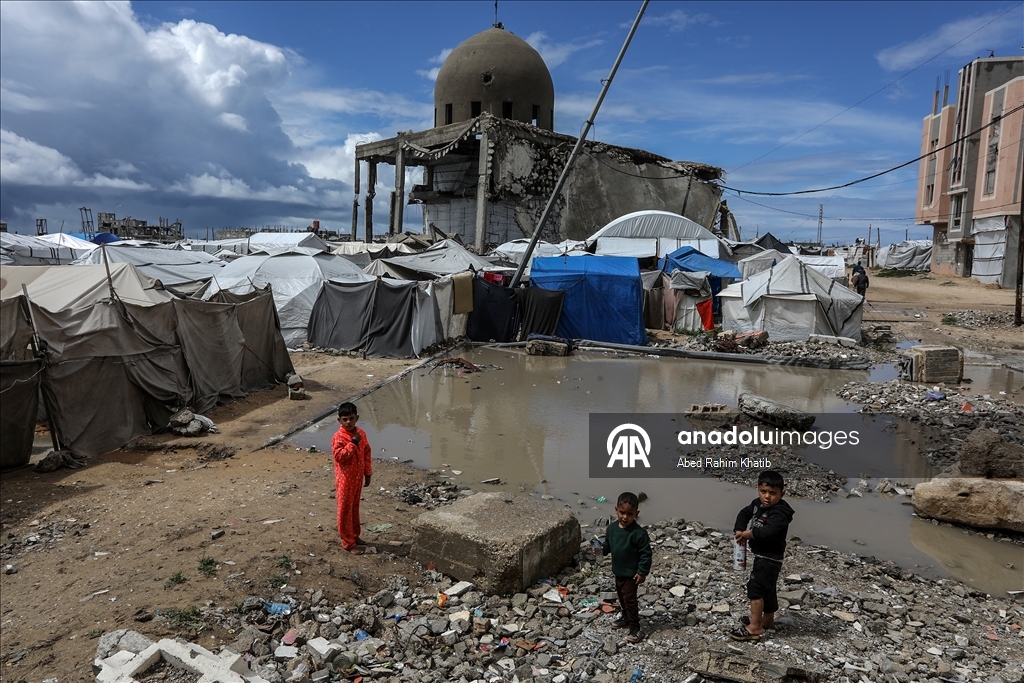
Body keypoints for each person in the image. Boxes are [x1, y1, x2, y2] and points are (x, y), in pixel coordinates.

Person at [730, 470, 795, 642]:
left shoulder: (780, 513)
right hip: (763, 556)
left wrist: (748, 534)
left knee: (756, 589)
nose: (767, 497)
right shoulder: (758, 504)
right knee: (768, 589)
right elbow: (744, 513)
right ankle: (767, 620)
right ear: (758, 489)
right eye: (763, 491)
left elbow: (768, 531)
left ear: (782, 493)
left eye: (773, 493)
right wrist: (739, 529)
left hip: (769, 558)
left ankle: (755, 626)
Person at [602, 492, 652, 643]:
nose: (625, 517)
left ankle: (635, 627)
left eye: (629, 514)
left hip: (632, 574)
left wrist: (642, 572)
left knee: (630, 599)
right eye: (622, 513)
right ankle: (625, 617)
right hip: (618, 572)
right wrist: (600, 550)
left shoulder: (638, 534)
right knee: (622, 598)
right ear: (616, 510)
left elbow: (646, 554)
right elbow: (608, 546)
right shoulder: (611, 529)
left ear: (636, 514)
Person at [331, 402, 373, 554]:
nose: (348, 422)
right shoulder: (339, 437)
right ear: (339, 420)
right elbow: (340, 456)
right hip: (345, 480)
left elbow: (367, 453)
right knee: (344, 510)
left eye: (351, 418)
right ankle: (348, 542)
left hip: (357, 479)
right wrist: (353, 442)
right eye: (345, 419)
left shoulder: (361, 433)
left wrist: (367, 473)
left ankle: (354, 535)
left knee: (354, 508)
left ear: (357, 418)